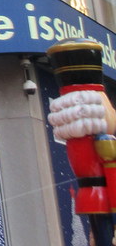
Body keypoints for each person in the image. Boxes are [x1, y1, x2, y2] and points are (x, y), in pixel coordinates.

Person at [47, 39, 116, 246]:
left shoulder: (101, 138)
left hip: (102, 198)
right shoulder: (85, 134)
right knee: (98, 234)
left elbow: (112, 176)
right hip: (96, 197)